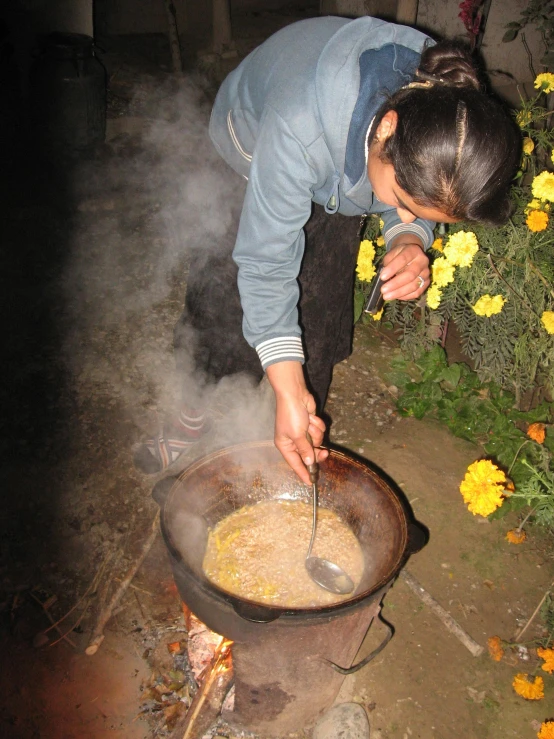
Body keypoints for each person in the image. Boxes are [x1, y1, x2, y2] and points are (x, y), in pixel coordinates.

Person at [133, 14, 520, 484]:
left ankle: (288, 434)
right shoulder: (301, 123)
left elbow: (417, 197)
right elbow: (265, 264)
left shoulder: (443, 106)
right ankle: (190, 419)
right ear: (387, 129)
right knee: (225, 297)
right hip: (252, 149)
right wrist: (287, 383)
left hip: (341, 169)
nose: (403, 214)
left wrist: (410, 238)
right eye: (401, 205)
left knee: (320, 315)